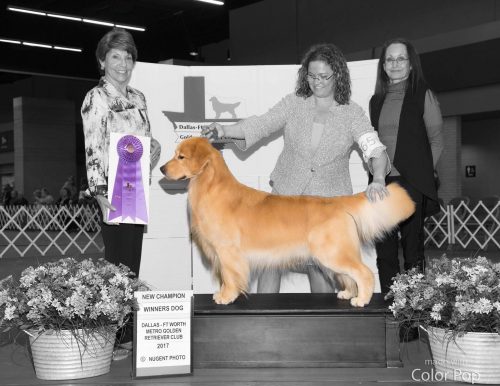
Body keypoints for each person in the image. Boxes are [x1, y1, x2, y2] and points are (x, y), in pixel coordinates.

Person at [203, 43, 390, 294]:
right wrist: (224, 130)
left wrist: (378, 178)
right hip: (284, 199)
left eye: (324, 76)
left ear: (338, 75)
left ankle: (323, 318)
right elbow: (261, 124)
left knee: (321, 268)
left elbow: (375, 149)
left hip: (325, 207)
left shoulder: (352, 113)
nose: (317, 82)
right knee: (270, 264)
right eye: (311, 76)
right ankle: (263, 316)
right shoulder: (293, 103)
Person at [81, 28, 161, 357]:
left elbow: (144, 140)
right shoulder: (95, 99)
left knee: (131, 266)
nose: (123, 63)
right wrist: (100, 194)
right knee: (115, 266)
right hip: (111, 189)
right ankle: (110, 336)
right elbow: (92, 148)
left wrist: (153, 149)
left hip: (135, 185)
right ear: (102, 61)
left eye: (128, 57)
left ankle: (125, 334)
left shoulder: (139, 97)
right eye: (115, 56)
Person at [369, 38, 444, 296]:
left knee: (413, 251)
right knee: (385, 251)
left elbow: (437, 140)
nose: (395, 64)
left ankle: (413, 310)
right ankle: (389, 305)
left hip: (414, 183)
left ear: (411, 64)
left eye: (401, 58)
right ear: (383, 66)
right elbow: (372, 143)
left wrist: (422, 172)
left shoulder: (424, 95)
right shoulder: (375, 100)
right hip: (382, 183)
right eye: (389, 59)